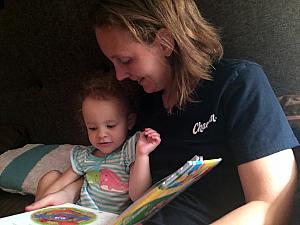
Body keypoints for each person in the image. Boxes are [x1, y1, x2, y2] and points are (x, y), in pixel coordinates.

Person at [26, 0, 299, 224]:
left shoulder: (238, 83)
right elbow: (114, 167)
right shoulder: (145, 103)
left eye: (125, 60)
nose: (120, 76)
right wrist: (71, 192)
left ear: (165, 42)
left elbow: (271, 206)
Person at [28, 75, 161, 214]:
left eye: (110, 125)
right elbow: (61, 183)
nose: (101, 134)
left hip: (111, 219)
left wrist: (142, 155)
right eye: (92, 128)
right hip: (80, 215)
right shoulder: (84, 156)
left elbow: (138, 196)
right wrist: (41, 204)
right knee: (50, 176)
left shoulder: (129, 151)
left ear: (130, 122)